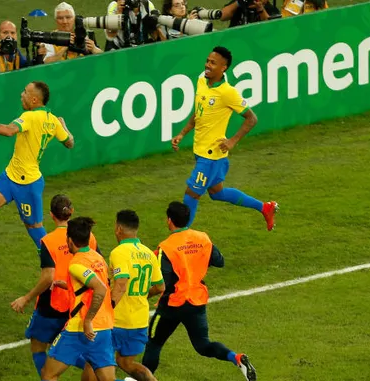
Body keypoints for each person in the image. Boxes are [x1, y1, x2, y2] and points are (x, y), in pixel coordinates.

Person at [0, 81, 74, 272]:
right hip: (11, 176)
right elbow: (70, 143)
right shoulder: (52, 120)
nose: (21, 94)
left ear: (34, 99)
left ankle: (56, 264)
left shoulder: (30, 116)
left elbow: (8, 131)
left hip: (28, 184)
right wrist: (64, 127)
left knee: (34, 228)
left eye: (25, 92)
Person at [141, 201, 257, 381]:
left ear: (169, 221)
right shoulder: (203, 238)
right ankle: (235, 358)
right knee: (203, 345)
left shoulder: (167, 246)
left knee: (154, 344)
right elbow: (220, 261)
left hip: (172, 303)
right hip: (196, 301)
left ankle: (144, 379)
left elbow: (164, 279)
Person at [171, 46, 278, 230]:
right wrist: (182, 133)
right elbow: (199, 112)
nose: (207, 65)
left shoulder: (228, 93)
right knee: (217, 192)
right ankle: (264, 207)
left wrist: (232, 141)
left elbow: (251, 118)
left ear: (224, 67)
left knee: (191, 195)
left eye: (213, 63)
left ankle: (180, 239)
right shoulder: (201, 81)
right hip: (201, 151)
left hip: (211, 156)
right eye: (207, 61)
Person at [10, 194, 99, 378]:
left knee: (38, 345)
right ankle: (100, 372)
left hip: (52, 303)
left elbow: (48, 277)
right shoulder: (88, 236)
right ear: (71, 211)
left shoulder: (48, 241)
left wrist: (26, 298)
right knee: (69, 347)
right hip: (78, 303)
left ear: (51, 215)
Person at [41, 217, 116, 381]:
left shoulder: (76, 264)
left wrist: (88, 320)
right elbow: (96, 285)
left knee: (48, 374)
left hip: (79, 328)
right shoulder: (97, 258)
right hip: (104, 327)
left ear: (69, 240)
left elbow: (100, 288)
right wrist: (69, 285)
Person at [108, 210, 164, 380]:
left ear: (118, 228)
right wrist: (143, 295)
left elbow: (121, 284)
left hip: (118, 321)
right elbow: (161, 286)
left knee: (96, 365)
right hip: (139, 321)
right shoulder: (148, 253)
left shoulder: (119, 252)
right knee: (126, 362)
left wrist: (106, 309)